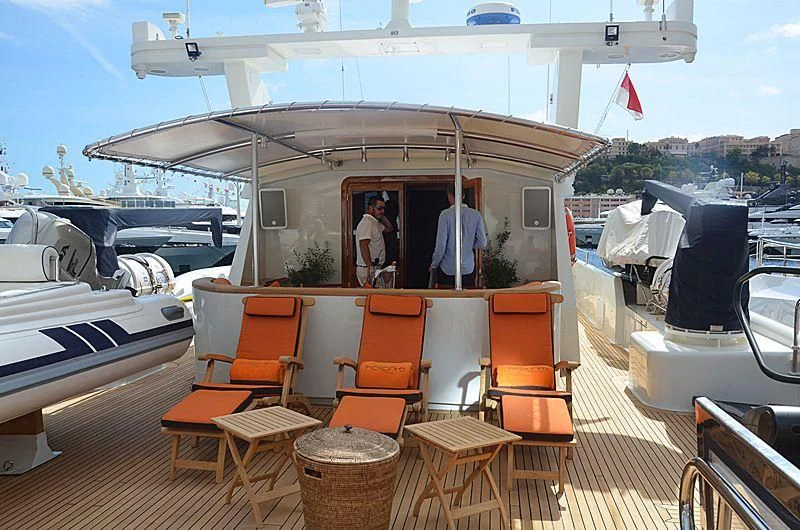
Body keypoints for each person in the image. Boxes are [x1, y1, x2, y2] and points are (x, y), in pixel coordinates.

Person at [430, 183, 488, 287]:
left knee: (445, 296)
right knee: (467, 296)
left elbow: (441, 246)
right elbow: (483, 243)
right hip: (468, 269)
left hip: (448, 269)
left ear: (449, 196)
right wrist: (468, 244)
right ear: (463, 195)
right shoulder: (476, 215)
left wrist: (434, 265)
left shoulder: (445, 215)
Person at [355, 195, 394, 286]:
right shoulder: (367, 222)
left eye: (384, 209)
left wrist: (381, 215)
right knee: (373, 294)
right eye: (379, 208)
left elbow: (389, 228)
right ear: (370, 208)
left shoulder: (374, 222)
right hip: (368, 268)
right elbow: (363, 245)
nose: (382, 211)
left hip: (375, 268)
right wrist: (370, 268)